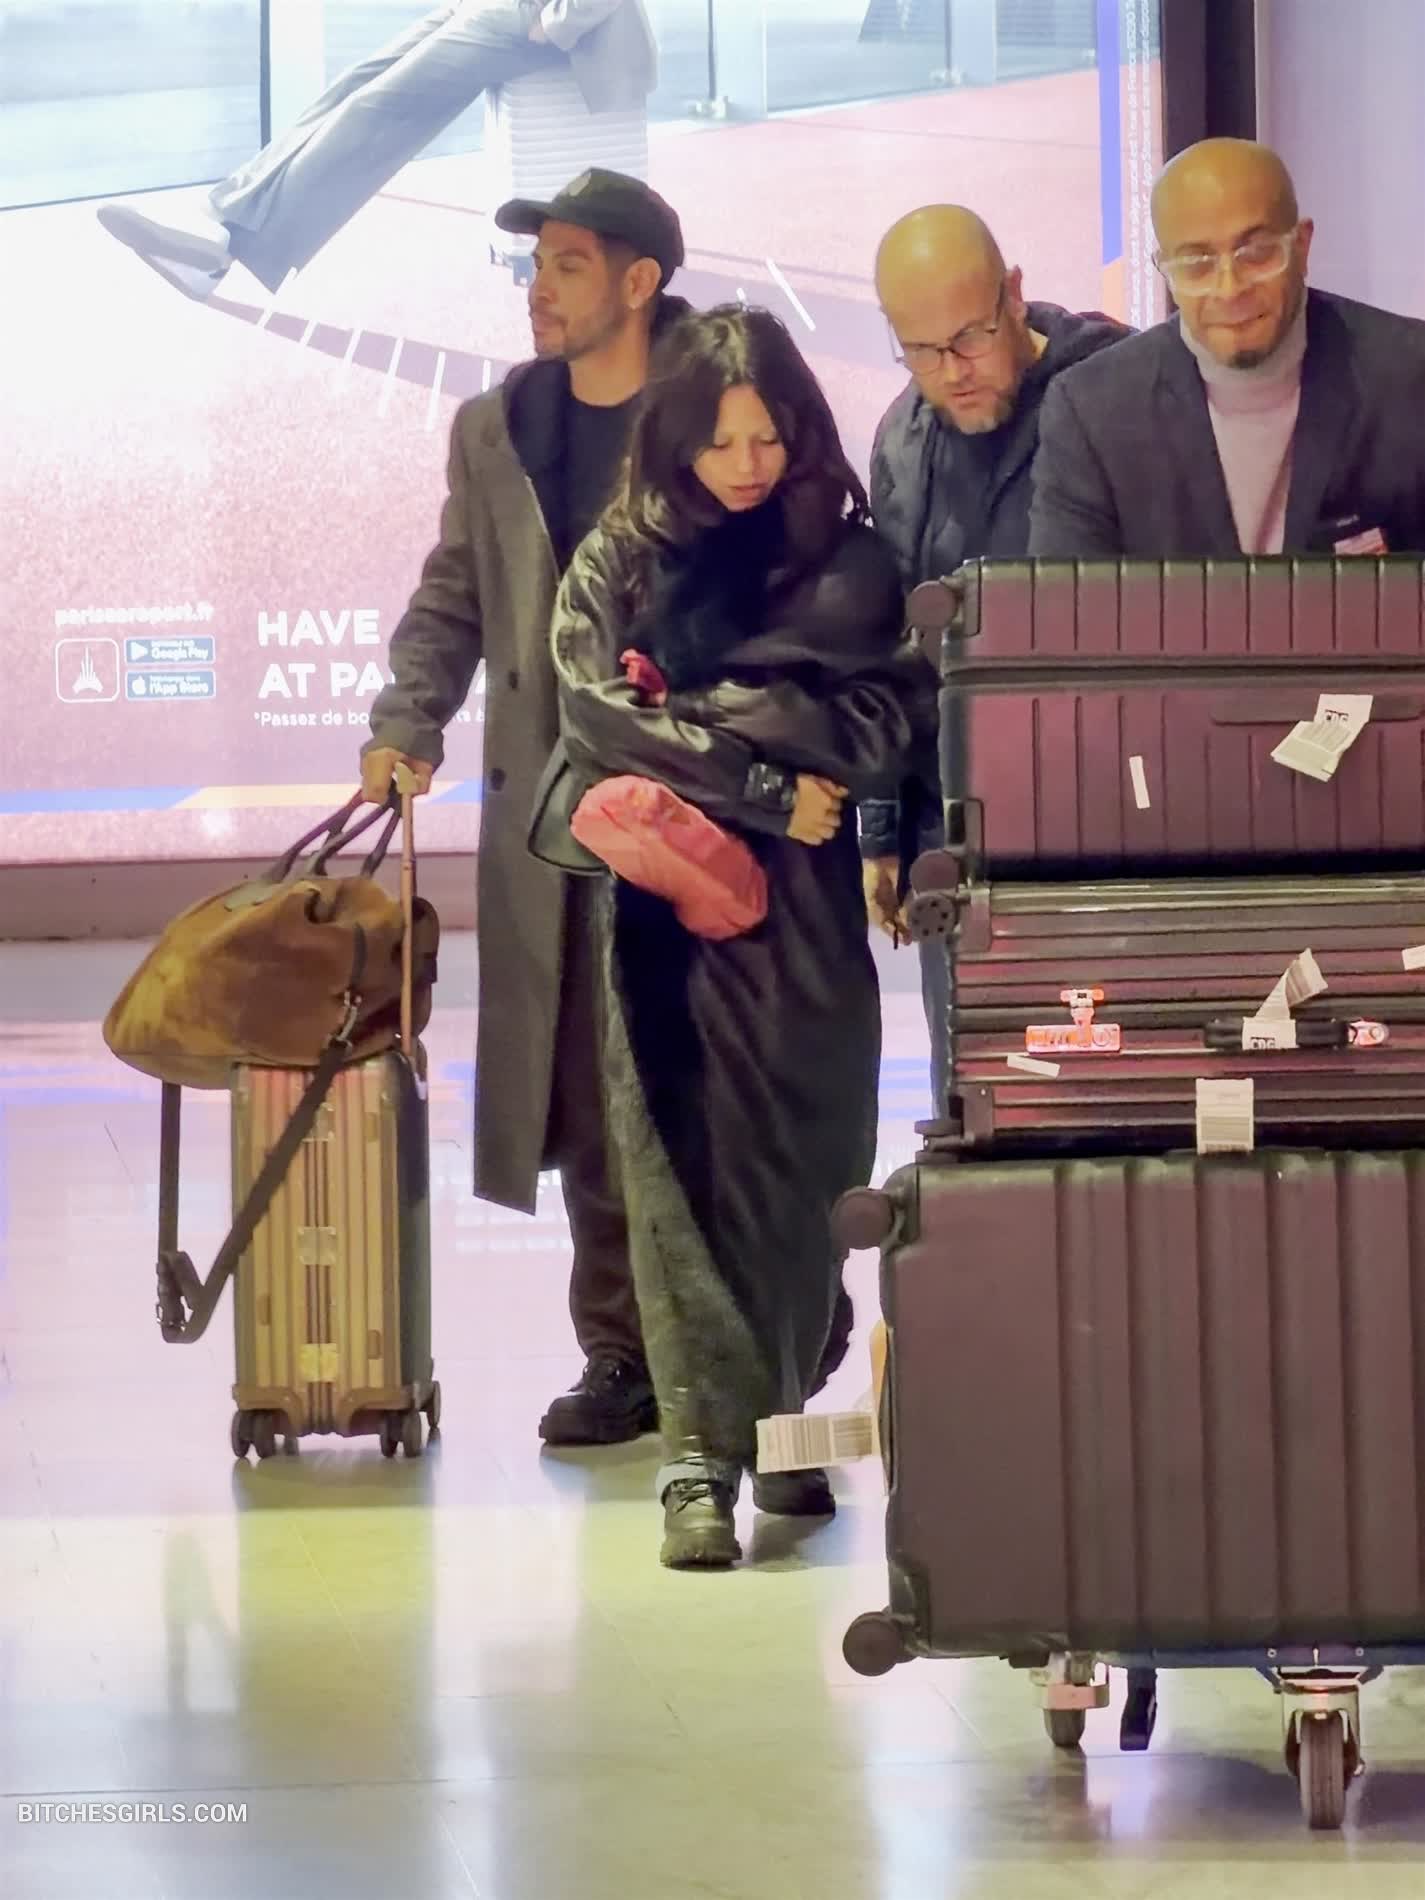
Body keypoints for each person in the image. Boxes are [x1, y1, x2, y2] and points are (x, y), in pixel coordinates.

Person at [548, 305, 937, 1567]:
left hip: (809, 906)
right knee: (686, 1162)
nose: (746, 464)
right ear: (676, 439)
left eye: (766, 436)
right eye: (719, 441)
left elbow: (890, 715)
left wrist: (724, 714)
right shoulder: (625, 553)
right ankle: (697, 1461)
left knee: (814, 1159)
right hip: (664, 907)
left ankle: (783, 1423)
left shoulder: (850, 560)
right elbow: (595, 716)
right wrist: (762, 774)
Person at [358, 169, 685, 1449]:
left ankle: (739, 1354)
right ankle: (620, 1353)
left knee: (710, 1081)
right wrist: (406, 720)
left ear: (639, 282)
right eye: (534, 264)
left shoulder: (718, 403)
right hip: (555, 817)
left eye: (567, 263)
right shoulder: (499, 427)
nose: (539, 289)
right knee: (589, 1086)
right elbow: (456, 591)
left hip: (700, 802)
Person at [860, 206, 1128, 1108]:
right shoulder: (903, 439)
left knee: (1116, 1086)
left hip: (1106, 822)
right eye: (920, 350)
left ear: (1013, 295)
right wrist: (881, 829)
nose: (952, 371)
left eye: (970, 337)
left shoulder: (1117, 389)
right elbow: (892, 649)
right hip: (957, 831)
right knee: (977, 1096)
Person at [95, 1, 656, 302]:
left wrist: (557, 21)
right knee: (355, 84)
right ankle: (218, 225)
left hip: (560, 21)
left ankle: (222, 245)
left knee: (379, 107)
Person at [1029, 138, 1425, 558]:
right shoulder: (1091, 412)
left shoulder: (1409, 376)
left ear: (1302, 246)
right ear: (1165, 272)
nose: (1230, 288)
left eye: (1255, 254)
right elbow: (1067, 598)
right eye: (1196, 264)